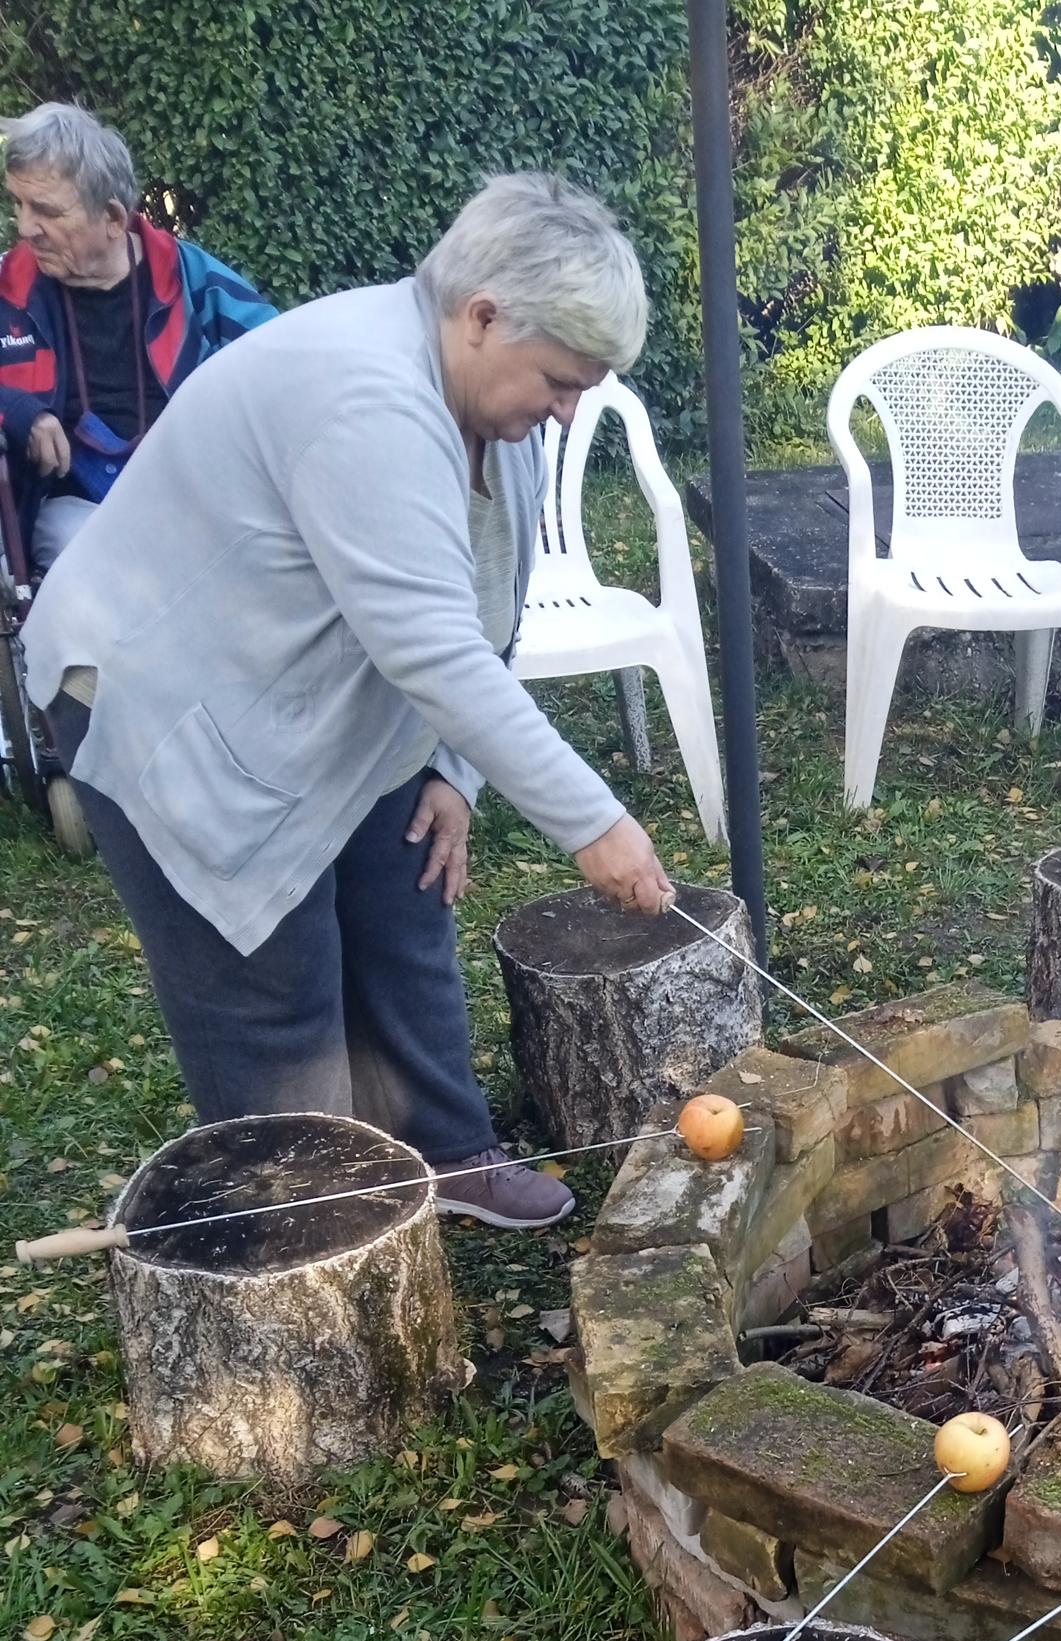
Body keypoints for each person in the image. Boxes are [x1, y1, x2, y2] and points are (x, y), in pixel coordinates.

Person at [26, 171, 680, 1229]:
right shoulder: (363, 395)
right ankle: (305, 1225)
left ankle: (444, 1153)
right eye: (559, 382)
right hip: (167, 698)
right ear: (481, 318)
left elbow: (487, 610)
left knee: (404, 883)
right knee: (273, 990)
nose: (565, 413)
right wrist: (595, 826)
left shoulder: (485, 409)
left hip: (321, 689)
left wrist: (455, 772)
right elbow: (430, 649)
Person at [1, 101, 272, 567]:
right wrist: (19, 411)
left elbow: (284, 364)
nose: (26, 228)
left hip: (196, 502)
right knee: (96, 559)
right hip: (67, 510)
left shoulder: (193, 281)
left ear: (112, 218)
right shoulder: (9, 287)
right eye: (18, 204)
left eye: (45, 210)